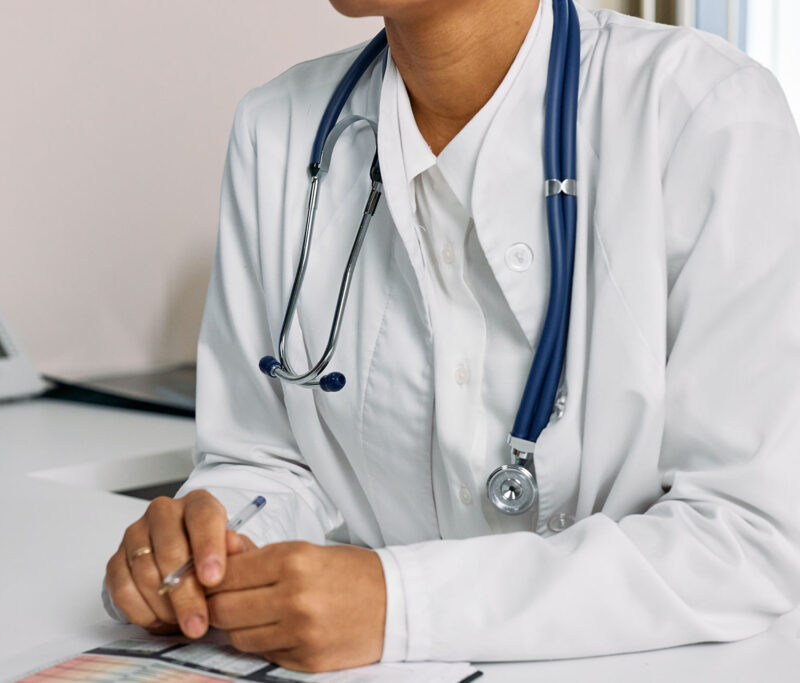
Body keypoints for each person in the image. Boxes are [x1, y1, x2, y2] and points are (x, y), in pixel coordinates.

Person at [104, 0, 800, 672]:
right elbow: (267, 462)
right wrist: (209, 546)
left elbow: (743, 537)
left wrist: (400, 604)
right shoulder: (278, 129)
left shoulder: (708, 115)